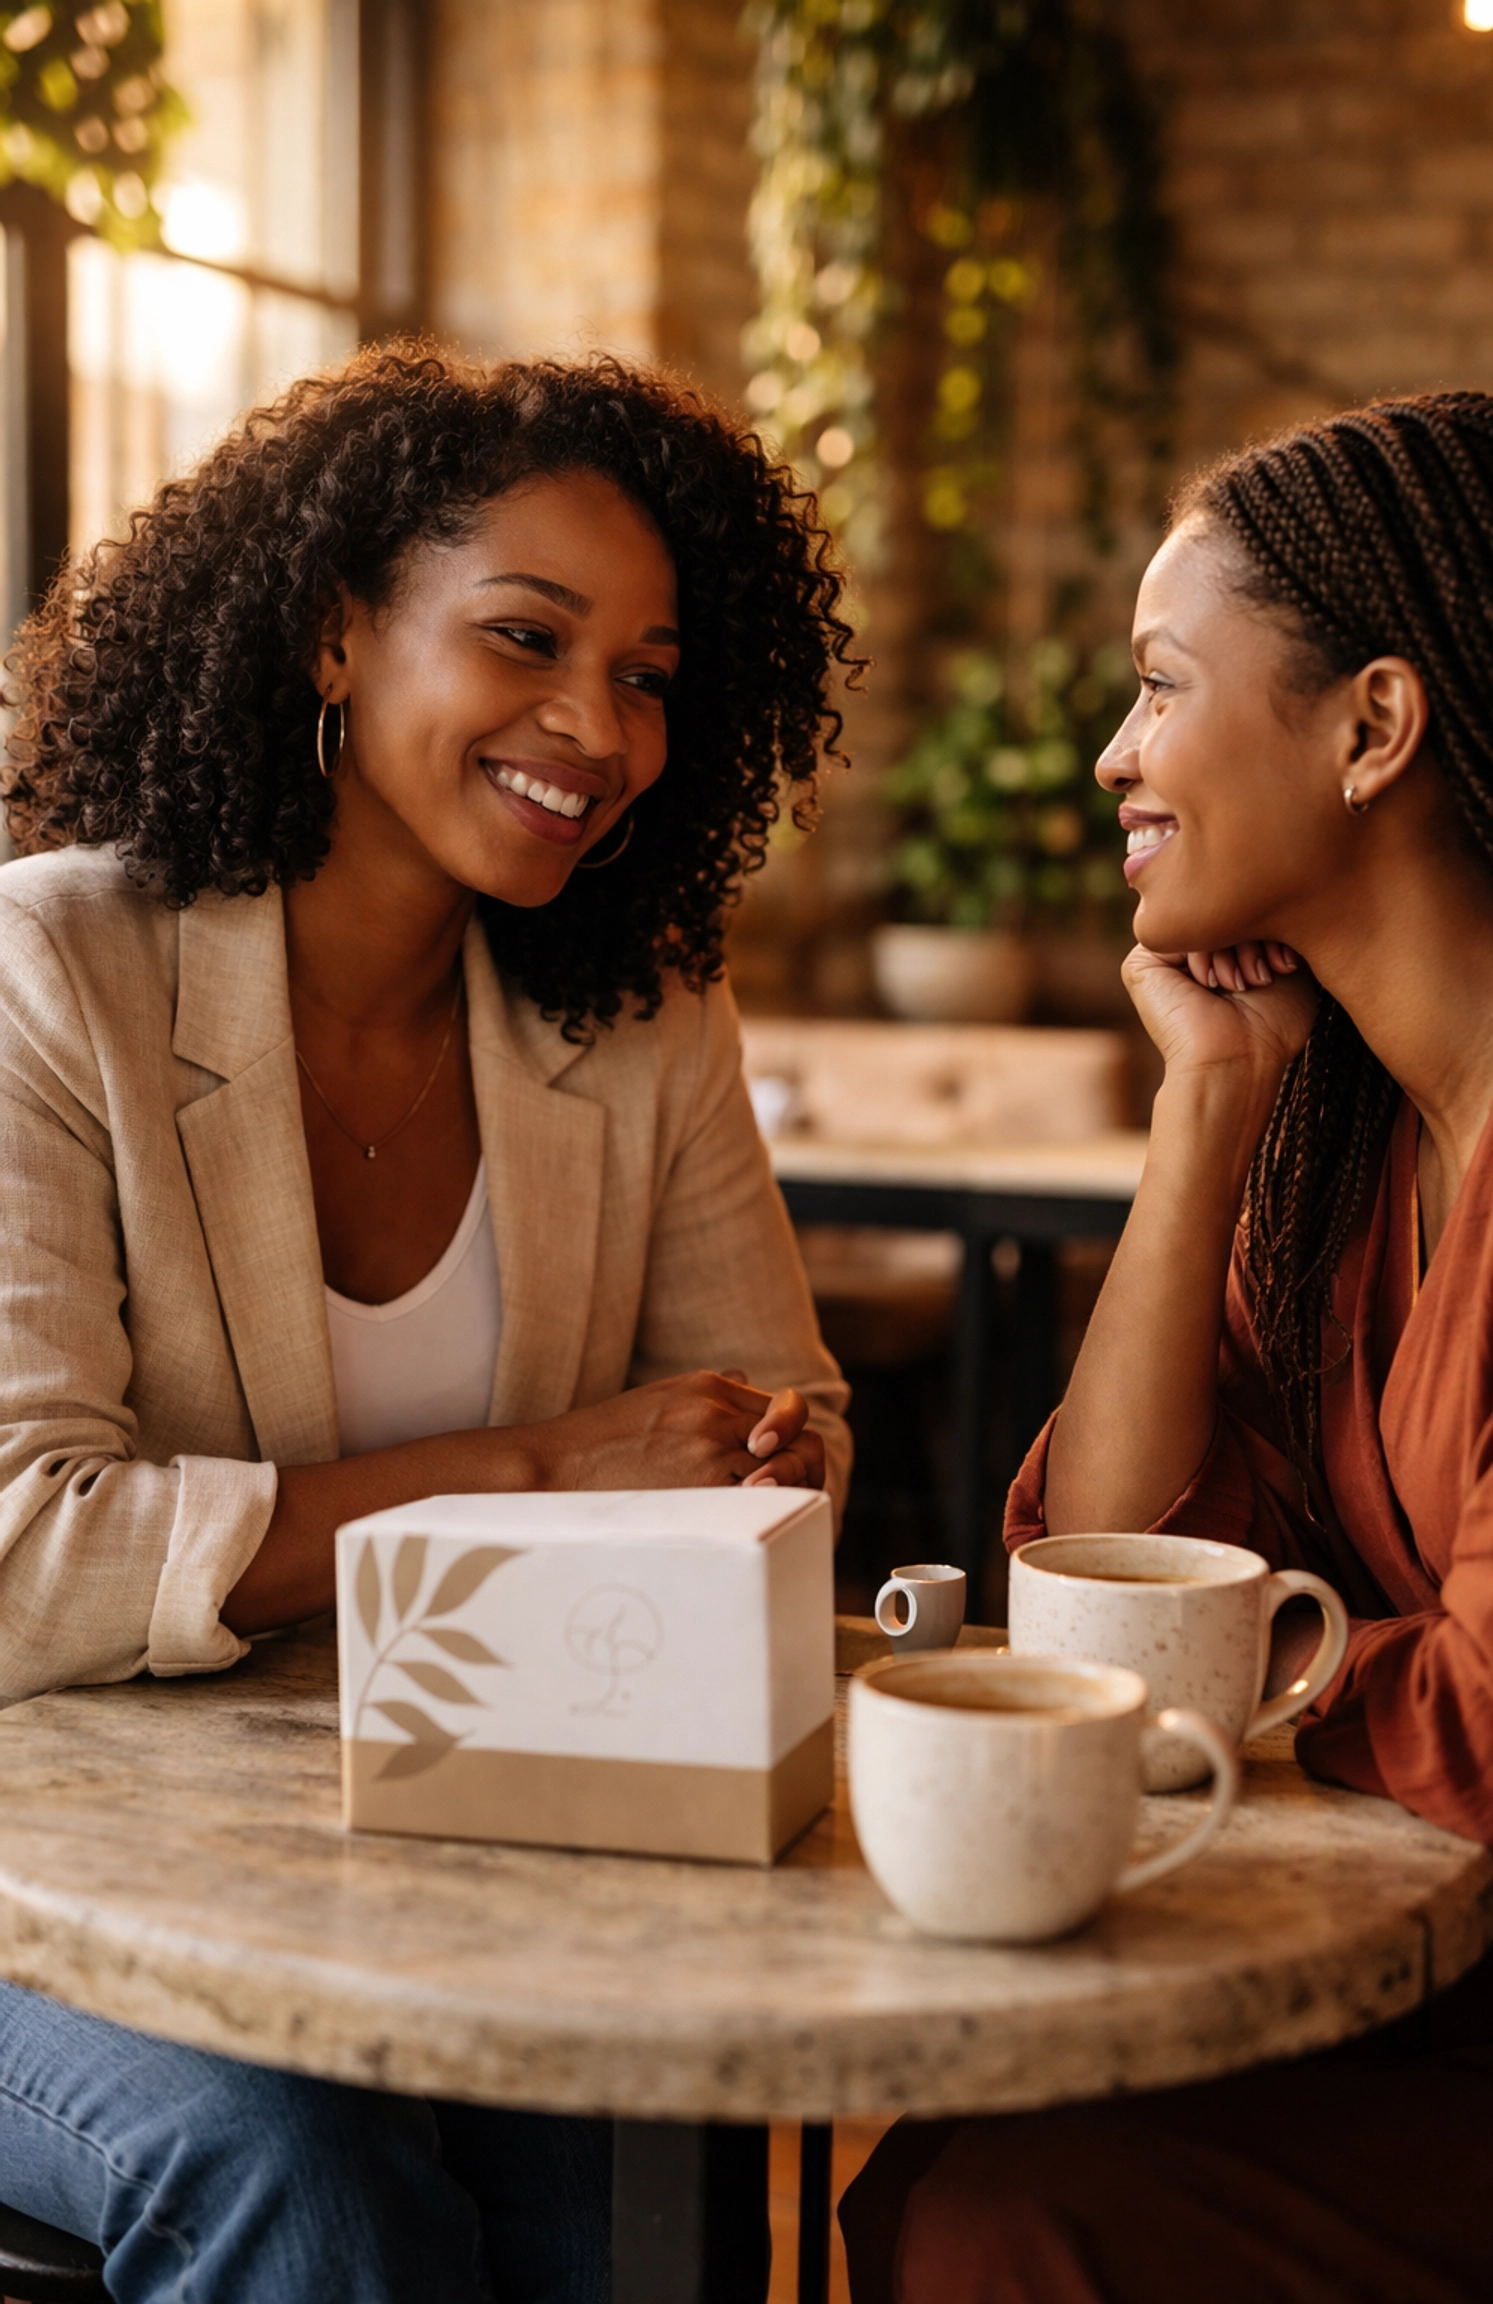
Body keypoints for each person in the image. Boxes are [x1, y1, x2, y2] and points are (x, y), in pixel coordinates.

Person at [0, 345, 854, 2303]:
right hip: (45, 1867)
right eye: (526, 639)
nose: (598, 727)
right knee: (302, 2167)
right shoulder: (56, 971)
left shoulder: (639, 1018)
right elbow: (25, 1543)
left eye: (646, 675)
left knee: (650, 2133)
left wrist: (767, 1455)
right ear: (334, 635)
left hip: (468, 1836)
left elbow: (783, 1408)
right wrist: (549, 1467)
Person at [842, 391, 1493, 2304]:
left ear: (1374, 727)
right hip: (1435, 1960)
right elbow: (1101, 1564)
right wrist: (1210, 1101)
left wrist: (1220, 1675)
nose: (1108, 754)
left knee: (1011, 2220)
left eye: (1158, 687)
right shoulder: (1355, 1143)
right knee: (933, 2174)